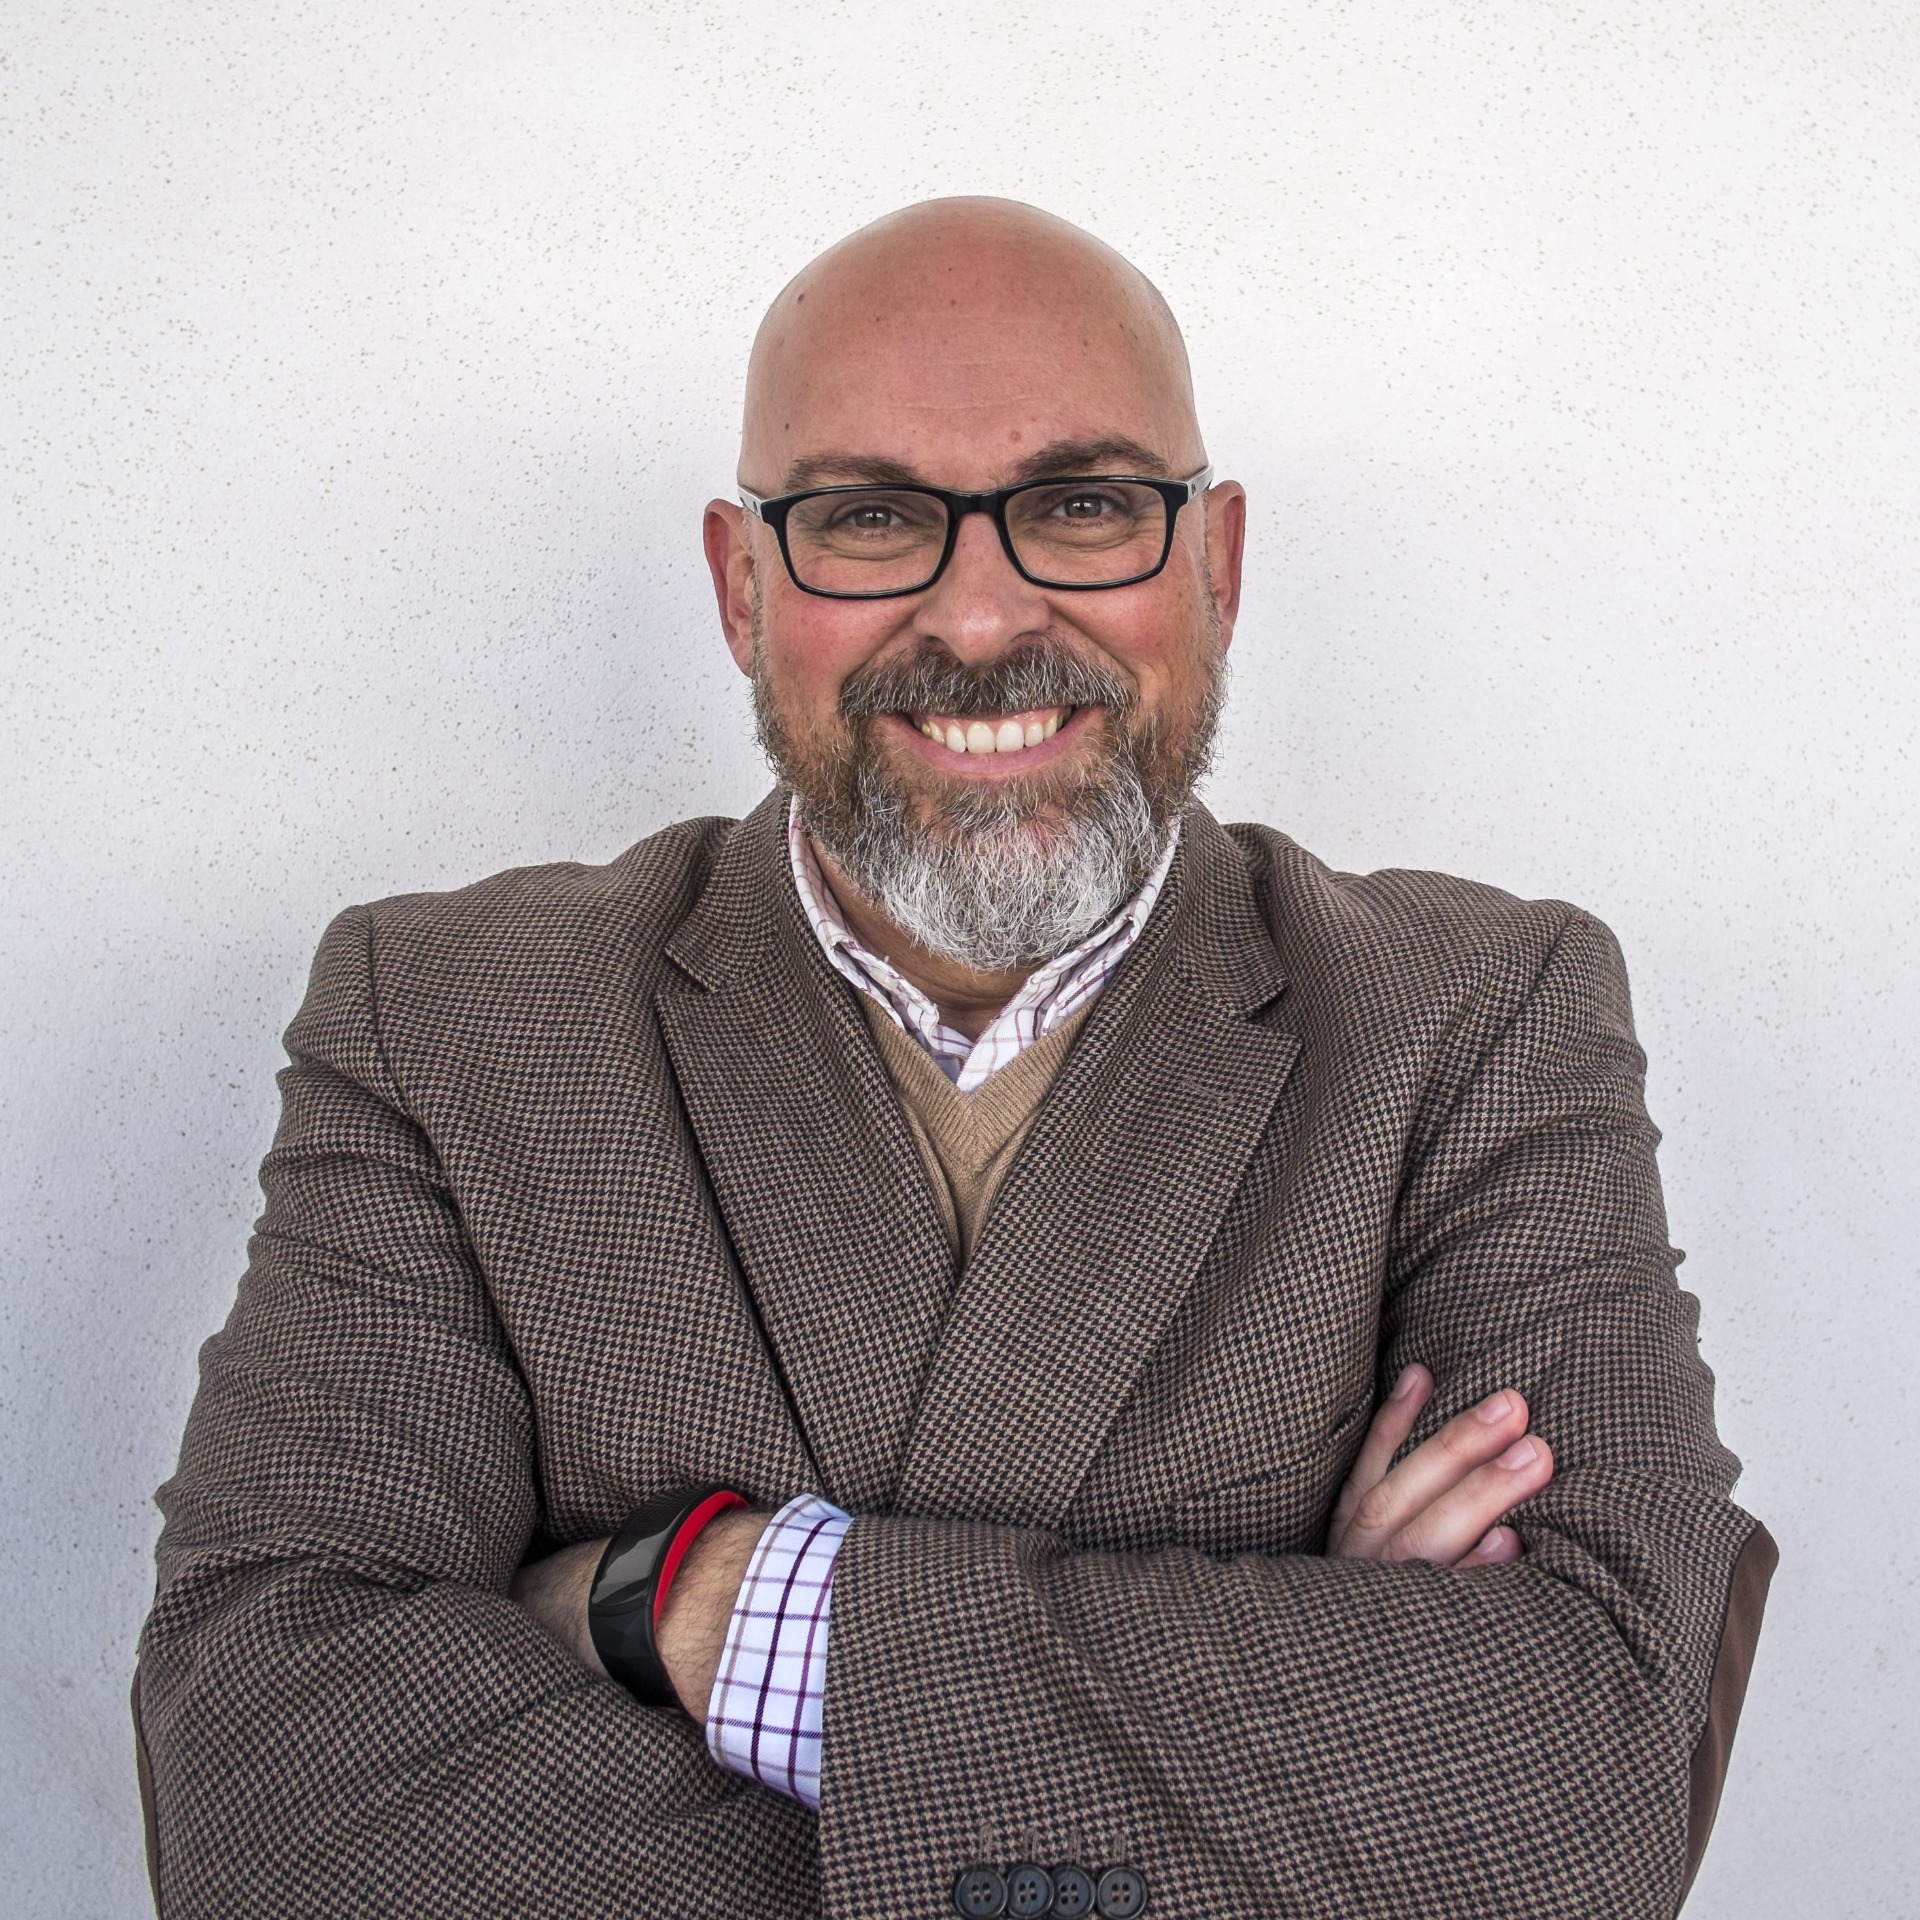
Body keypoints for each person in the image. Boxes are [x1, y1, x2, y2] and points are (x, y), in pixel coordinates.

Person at [134, 197, 1774, 1919]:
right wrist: (1311, 1718)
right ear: (741, 586)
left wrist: (696, 1606)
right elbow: (271, 1796)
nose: (981, 618)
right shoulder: (447, 1019)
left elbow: (1596, 1773)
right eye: (867, 517)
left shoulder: (1478, 1013)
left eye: (1084, 505)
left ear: (1215, 566)